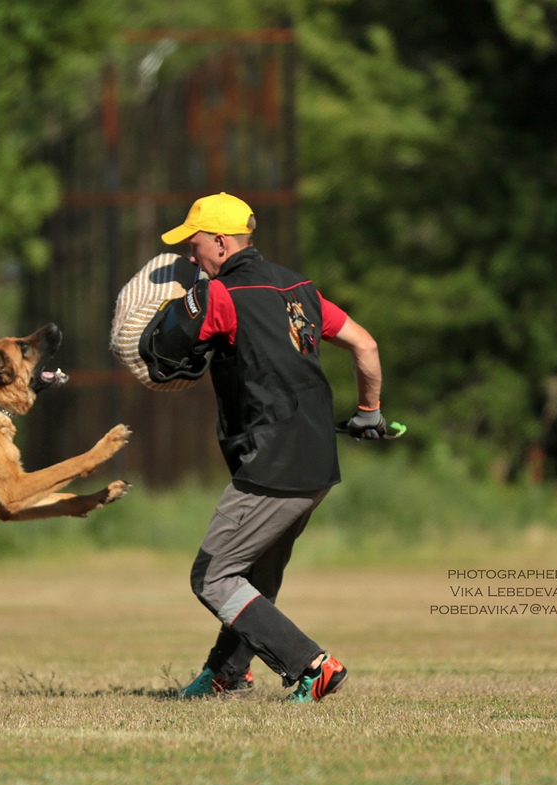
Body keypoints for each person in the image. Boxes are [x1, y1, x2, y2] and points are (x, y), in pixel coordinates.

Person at [153, 192, 390, 702]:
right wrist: (369, 412)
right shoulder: (299, 287)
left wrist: (179, 308)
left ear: (220, 241)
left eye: (195, 246)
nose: (192, 258)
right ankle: (229, 674)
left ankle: (313, 666)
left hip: (270, 464)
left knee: (213, 576)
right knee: (256, 575)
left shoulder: (220, 297)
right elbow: (365, 345)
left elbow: (160, 354)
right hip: (317, 462)